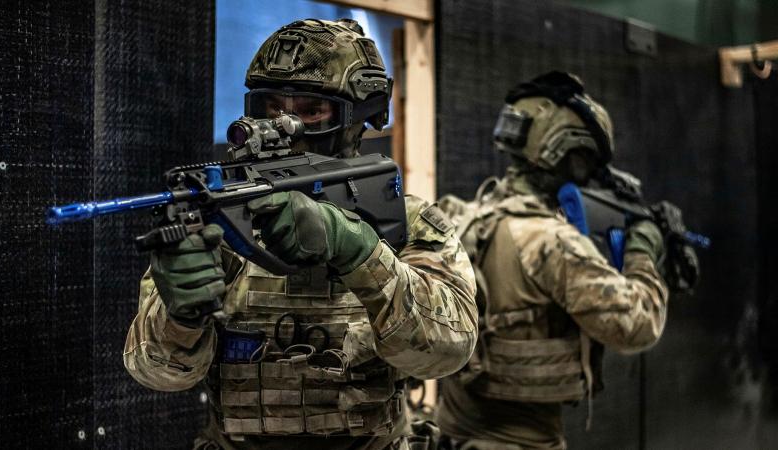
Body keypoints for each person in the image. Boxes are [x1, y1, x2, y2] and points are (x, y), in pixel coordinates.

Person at [122, 18, 477, 450]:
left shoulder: (408, 220)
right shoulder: (223, 216)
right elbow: (156, 373)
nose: (286, 127)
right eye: (273, 108)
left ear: (359, 116)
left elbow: (448, 351)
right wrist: (182, 317)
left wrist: (357, 249)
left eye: (311, 111)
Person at [435, 71, 669, 450]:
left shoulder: (460, 217)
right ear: (564, 153)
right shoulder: (551, 242)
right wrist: (643, 254)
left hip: (452, 436)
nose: (590, 173)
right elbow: (638, 324)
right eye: (586, 160)